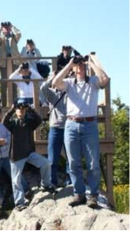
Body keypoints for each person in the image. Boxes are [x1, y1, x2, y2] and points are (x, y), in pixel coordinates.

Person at [52, 53, 110, 208]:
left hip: (90, 125)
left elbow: (105, 79)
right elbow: (55, 82)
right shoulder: (70, 83)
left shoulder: (93, 82)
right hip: (71, 125)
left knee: (93, 163)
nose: (80, 67)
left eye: (82, 66)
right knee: (73, 162)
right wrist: (71, 63)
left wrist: (90, 62)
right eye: (78, 66)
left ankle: (93, 195)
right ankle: (79, 194)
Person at [3, 102, 54, 211]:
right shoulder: (13, 123)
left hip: (29, 153)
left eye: (23, 110)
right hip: (16, 156)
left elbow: (39, 120)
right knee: (16, 180)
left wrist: (30, 109)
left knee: (46, 163)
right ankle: (19, 203)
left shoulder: (29, 122)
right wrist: (12, 109)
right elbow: (4, 122)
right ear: (16, 112)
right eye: (19, 109)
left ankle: (46, 185)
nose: (21, 111)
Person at [40, 71, 71, 187]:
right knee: (52, 158)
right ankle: (52, 182)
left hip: (69, 128)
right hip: (55, 128)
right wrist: (50, 79)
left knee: (70, 157)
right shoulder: (52, 94)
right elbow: (43, 88)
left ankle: (71, 181)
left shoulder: (70, 92)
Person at [0, 22, 22, 106]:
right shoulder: (1, 39)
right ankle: (3, 103)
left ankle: (14, 103)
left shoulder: (14, 37)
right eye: (5, 27)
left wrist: (12, 27)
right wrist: (0, 28)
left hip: (14, 62)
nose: (6, 28)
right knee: (3, 83)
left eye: (7, 27)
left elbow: (19, 34)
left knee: (14, 83)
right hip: (4, 63)